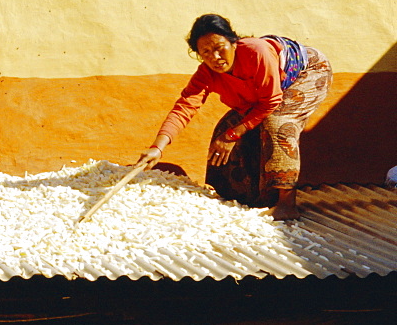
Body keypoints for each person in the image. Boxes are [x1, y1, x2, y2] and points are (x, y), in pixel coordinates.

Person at [137, 14, 332, 220]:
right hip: (267, 92)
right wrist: (158, 148)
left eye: (220, 47)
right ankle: (248, 196)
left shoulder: (257, 52)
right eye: (206, 52)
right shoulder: (206, 74)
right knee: (226, 126)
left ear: (234, 42)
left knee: (278, 124)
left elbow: (270, 102)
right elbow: (184, 107)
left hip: (308, 72)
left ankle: (286, 204)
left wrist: (232, 136)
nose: (216, 57)